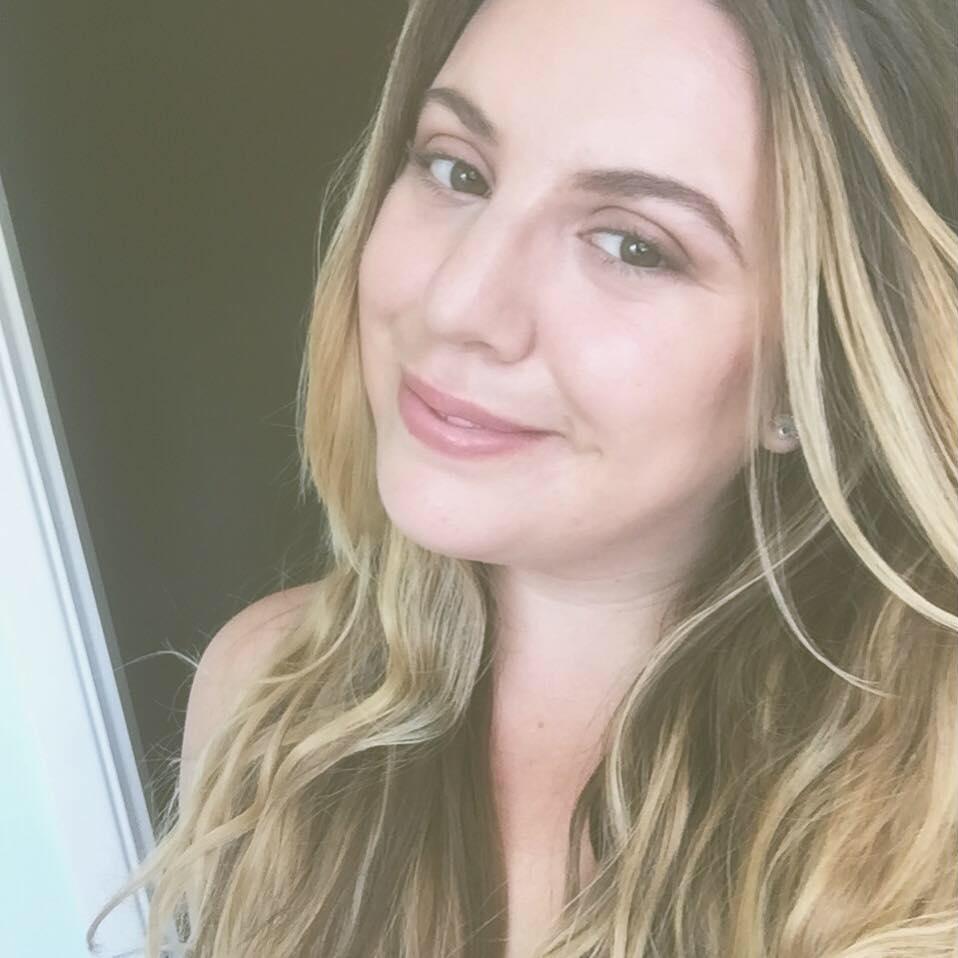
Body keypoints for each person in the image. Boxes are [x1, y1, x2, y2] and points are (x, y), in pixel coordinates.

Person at [87, 0, 958, 955]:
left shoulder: (928, 848)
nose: (457, 302)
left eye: (633, 245)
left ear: (812, 370)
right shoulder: (267, 697)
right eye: (456, 170)